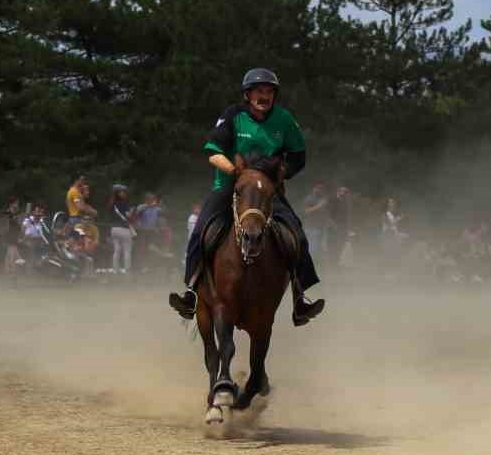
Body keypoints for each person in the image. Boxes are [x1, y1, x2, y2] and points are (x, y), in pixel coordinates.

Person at [167, 68, 325, 326]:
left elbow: (298, 156)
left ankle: (300, 298)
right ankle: (191, 293)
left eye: (269, 91)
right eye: (259, 91)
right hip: (230, 187)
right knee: (201, 230)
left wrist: (281, 173)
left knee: (295, 233)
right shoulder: (233, 116)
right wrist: (236, 172)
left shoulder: (284, 120)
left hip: (266, 191)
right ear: (248, 94)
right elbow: (213, 151)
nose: (265, 96)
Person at [108, 184, 136, 275]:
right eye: (123, 192)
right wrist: (132, 211)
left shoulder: (112, 203)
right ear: (118, 193)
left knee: (117, 250)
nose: (125, 193)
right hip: (124, 229)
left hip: (114, 229)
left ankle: (115, 271)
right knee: (127, 251)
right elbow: (129, 216)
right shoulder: (124, 203)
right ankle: (127, 271)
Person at [303, 183, 330, 257]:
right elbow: (306, 211)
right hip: (310, 226)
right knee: (312, 248)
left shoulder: (322, 198)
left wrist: (327, 221)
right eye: (318, 188)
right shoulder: (309, 198)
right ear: (314, 188)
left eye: (321, 188)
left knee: (317, 247)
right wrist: (319, 206)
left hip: (319, 226)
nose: (320, 190)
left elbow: (324, 213)